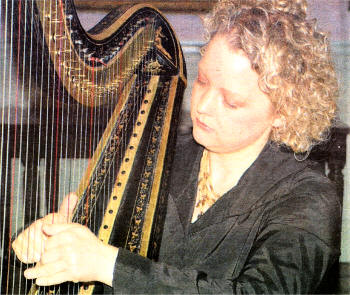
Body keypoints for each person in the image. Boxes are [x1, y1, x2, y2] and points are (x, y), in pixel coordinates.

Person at [12, 0, 341, 293]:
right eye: (202, 81)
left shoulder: (308, 200)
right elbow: (94, 249)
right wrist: (51, 240)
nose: (203, 106)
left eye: (231, 102)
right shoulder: (159, 154)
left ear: (283, 113)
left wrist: (108, 265)